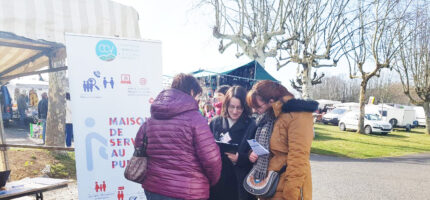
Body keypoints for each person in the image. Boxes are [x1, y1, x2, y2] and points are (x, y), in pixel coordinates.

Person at [135, 73, 222, 200]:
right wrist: (212, 181)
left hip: (154, 189)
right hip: (188, 190)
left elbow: (139, 145)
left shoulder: (151, 119)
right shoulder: (195, 119)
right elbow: (211, 159)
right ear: (192, 92)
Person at [246, 80, 318, 200]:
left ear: (271, 100)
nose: (254, 110)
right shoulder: (271, 115)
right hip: (270, 185)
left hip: (285, 189)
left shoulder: (298, 115)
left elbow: (298, 159)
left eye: (257, 106)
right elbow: (268, 148)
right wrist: (252, 153)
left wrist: (290, 195)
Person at [209, 85, 257, 200]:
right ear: (226, 105)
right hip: (217, 181)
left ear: (245, 107)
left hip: (239, 182)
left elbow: (256, 155)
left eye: (239, 107)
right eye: (232, 107)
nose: (235, 111)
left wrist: (240, 158)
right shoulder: (216, 122)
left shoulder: (252, 125)